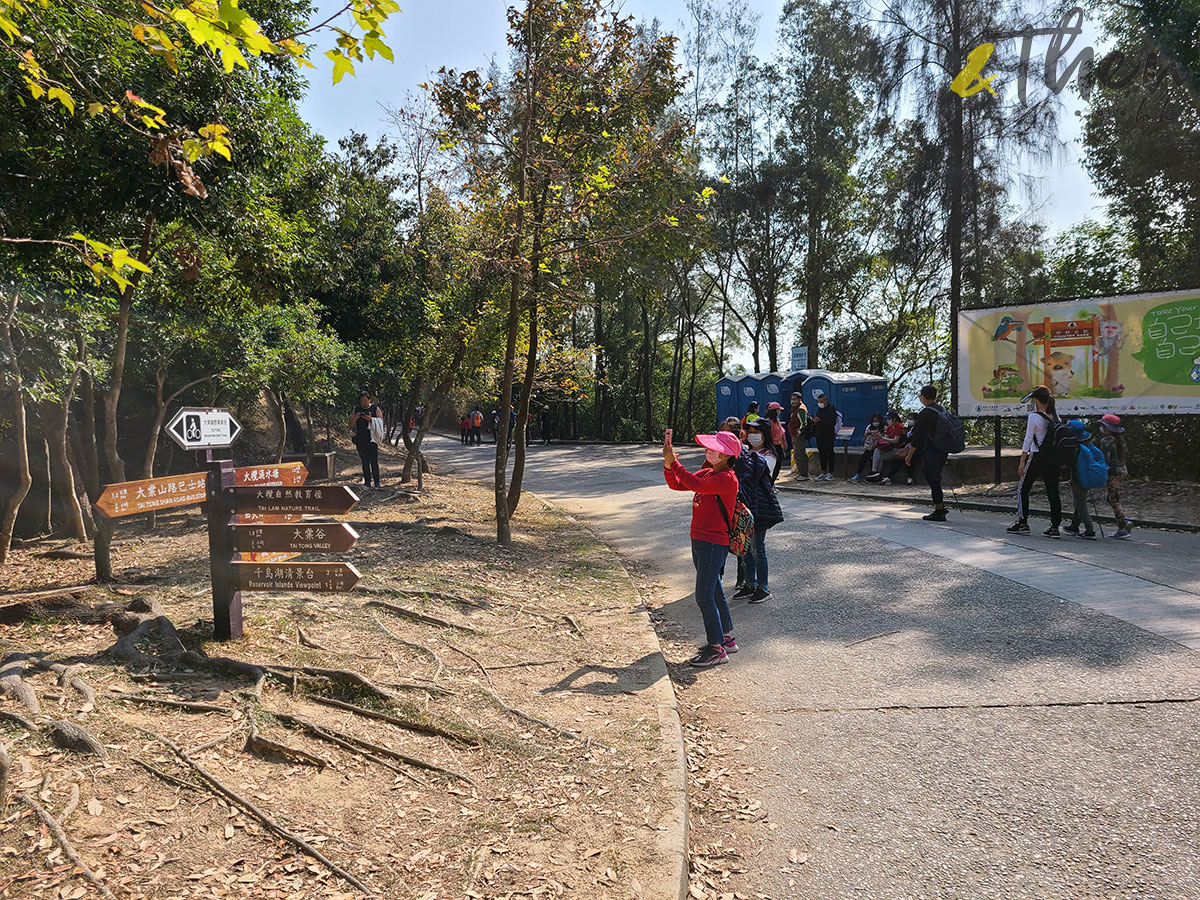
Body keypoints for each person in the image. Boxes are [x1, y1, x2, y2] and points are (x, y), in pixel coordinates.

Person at [663, 428, 741, 667]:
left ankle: (716, 649)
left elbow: (695, 482)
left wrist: (674, 462)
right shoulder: (709, 471)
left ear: (727, 456)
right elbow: (678, 484)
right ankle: (726, 638)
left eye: (715, 449)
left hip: (713, 542)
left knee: (704, 596)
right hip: (699, 539)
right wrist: (669, 465)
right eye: (709, 447)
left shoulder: (727, 478)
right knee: (715, 589)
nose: (708, 451)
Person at [733, 419, 783, 604]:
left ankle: (763, 587)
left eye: (757, 431)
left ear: (765, 434)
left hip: (760, 505)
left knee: (757, 549)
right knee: (745, 548)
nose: (752, 434)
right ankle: (749, 583)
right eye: (750, 431)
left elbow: (758, 471)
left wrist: (741, 455)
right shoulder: (747, 452)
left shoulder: (769, 455)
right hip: (745, 504)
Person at [1007, 385, 1063, 537]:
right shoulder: (1056, 416)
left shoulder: (1034, 417)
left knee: (1023, 489)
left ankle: (1023, 522)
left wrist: (1022, 461)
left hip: (1037, 457)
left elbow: (1028, 440)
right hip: (1054, 459)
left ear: (1036, 400)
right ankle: (1055, 527)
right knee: (1053, 492)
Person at [904, 385, 951, 522]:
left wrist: (909, 455)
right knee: (934, 478)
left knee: (933, 480)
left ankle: (939, 510)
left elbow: (917, 437)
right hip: (942, 449)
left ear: (923, 397)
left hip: (931, 451)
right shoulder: (941, 409)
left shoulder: (925, 413)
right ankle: (940, 506)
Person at [1097, 413, 1133, 539]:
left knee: (1114, 499)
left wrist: (1101, 472)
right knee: (1112, 497)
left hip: (1113, 472)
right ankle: (1123, 522)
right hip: (1122, 470)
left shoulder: (1106, 440)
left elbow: (1104, 459)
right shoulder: (1120, 441)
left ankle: (1123, 525)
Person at [1063, 419, 1097, 539]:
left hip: (1078, 479)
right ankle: (1074, 525)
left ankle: (1089, 530)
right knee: (1080, 501)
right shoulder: (1088, 445)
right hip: (1087, 477)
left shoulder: (1075, 448)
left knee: (1080, 503)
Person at [349, 392, 383, 488]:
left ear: (369, 400)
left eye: (365, 401)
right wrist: (356, 417)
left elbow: (381, 421)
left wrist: (371, 419)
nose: (364, 403)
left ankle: (377, 482)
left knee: (374, 461)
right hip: (360, 439)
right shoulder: (356, 409)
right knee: (364, 461)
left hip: (372, 439)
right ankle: (367, 482)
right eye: (362, 401)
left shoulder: (375, 408)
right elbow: (350, 424)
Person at [810, 390, 838, 481]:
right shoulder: (819, 409)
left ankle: (831, 472)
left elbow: (831, 423)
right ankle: (823, 472)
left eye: (821, 402)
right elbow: (817, 423)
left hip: (828, 434)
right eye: (818, 402)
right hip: (819, 435)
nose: (820, 404)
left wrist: (820, 421)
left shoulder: (831, 408)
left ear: (825, 401)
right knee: (821, 454)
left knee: (829, 453)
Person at [851, 414, 885, 482]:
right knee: (863, 458)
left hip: (878, 447)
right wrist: (868, 434)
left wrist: (877, 435)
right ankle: (858, 474)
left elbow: (883, 438)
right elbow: (865, 437)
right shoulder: (869, 427)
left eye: (877, 421)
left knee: (875, 459)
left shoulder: (883, 428)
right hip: (869, 446)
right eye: (874, 421)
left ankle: (876, 475)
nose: (875, 422)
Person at [788, 392, 810, 480]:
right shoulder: (794, 408)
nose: (793, 401)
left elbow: (803, 422)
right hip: (794, 434)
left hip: (798, 435)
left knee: (800, 454)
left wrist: (799, 431)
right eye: (792, 399)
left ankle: (804, 474)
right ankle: (800, 473)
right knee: (796, 454)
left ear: (799, 399)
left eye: (794, 399)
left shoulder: (801, 409)